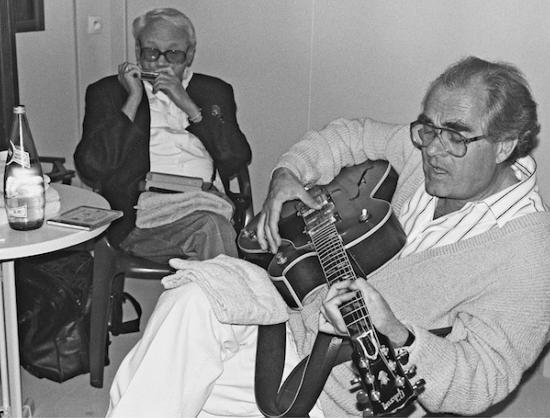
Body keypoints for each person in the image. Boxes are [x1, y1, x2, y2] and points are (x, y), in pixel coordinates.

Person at [106, 56, 550, 417]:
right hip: (287, 309)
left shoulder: (529, 255)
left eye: (453, 136)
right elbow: (350, 135)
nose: (432, 148)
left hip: (336, 389)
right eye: (428, 128)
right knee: (186, 303)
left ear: (505, 146)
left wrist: (395, 330)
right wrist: (287, 174)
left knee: (150, 380)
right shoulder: (426, 158)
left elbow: (485, 377)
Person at [74, 8, 251, 262]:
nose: (160, 62)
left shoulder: (214, 91)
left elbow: (235, 158)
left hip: (205, 201)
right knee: (211, 229)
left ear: (190, 54)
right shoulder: (108, 92)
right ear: (137, 52)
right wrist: (132, 100)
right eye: (151, 52)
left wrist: (190, 106)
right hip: (141, 218)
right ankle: (233, 300)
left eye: (173, 53)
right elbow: (92, 168)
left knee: (210, 227)